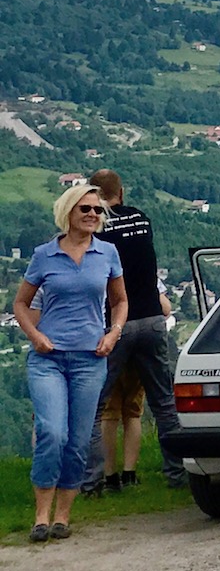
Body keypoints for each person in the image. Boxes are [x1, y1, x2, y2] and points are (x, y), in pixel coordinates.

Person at [12, 183, 127, 543]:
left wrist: (113, 333)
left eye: (97, 210)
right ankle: (40, 516)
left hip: (90, 359)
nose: (93, 215)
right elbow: (20, 304)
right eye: (85, 209)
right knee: (52, 432)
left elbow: (120, 301)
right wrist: (35, 336)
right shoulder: (44, 255)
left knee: (77, 441)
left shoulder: (107, 253)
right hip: (48, 358)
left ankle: (62, 516)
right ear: (68, 212)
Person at [83, 169, 184, 492]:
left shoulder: (96, 228)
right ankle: (178, 474)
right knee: (163, 403)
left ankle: (93, 482)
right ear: (122, 192)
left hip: (116, 323)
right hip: (153, 319)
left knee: (96, 407)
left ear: (94, 196)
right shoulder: (141, 219)